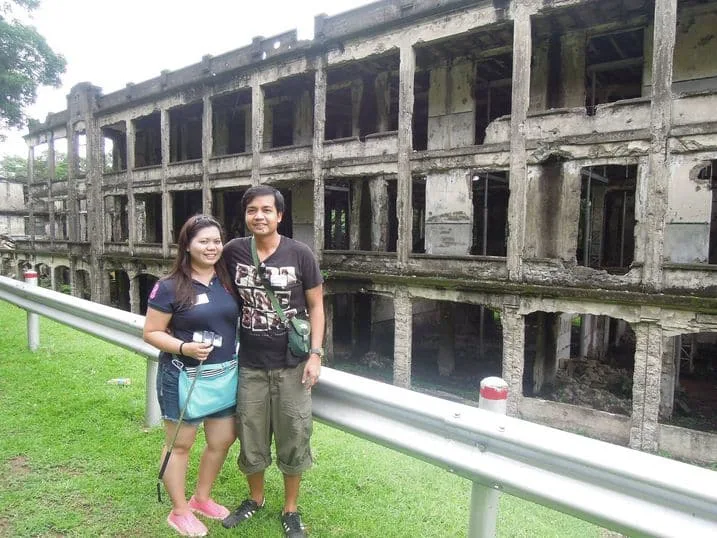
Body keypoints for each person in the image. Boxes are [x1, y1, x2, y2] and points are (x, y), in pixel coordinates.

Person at [221, 186, 325, 538]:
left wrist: (315, 353)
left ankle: (291, 508)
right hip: (250, 362)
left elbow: (317, 307)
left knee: (294, 435)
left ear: (280, 215)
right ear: (246, 215)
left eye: (267, 210)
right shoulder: (233, 251)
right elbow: (205, 276)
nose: (260, 216)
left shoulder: (300, 254)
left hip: (292, 363)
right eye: (253, 210)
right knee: (250, 435)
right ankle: (256, 498)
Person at [143, 214, 240, 537]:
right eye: (203, 241)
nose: (211, 247)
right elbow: (152, 332)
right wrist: (183, 347)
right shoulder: (169, 286)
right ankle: (180, 510)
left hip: (225, 373)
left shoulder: (227, 279)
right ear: (187, 245)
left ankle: (201, 498)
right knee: (180, 444)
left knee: (223, 439)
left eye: (216, 241)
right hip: (184, 373)